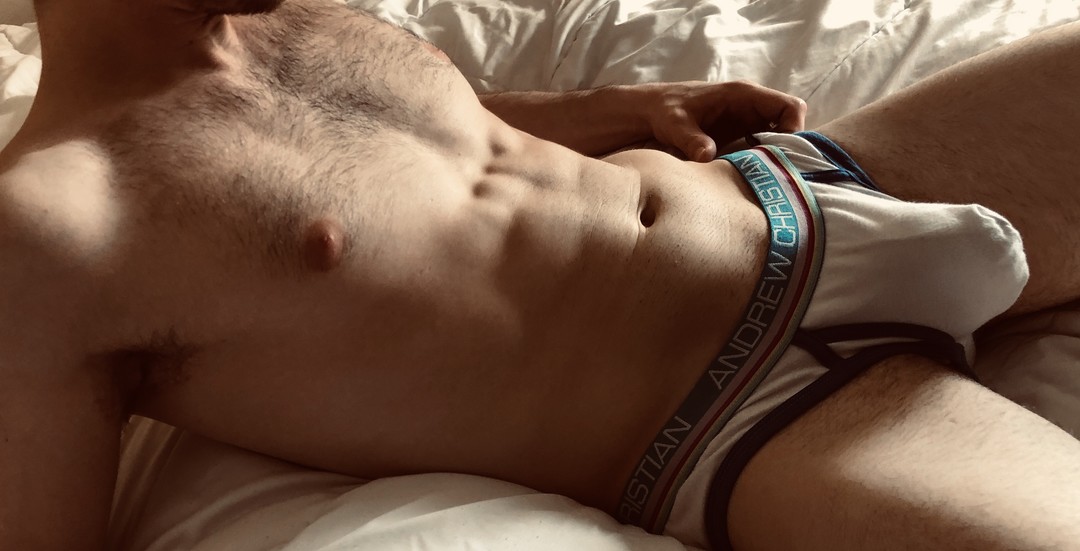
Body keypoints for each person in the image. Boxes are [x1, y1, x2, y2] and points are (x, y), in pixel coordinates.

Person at [1, 0, 1078, 549]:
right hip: (748, 408)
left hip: (804, 185)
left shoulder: (302, 22)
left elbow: (395, 144)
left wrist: (616, 110)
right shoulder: (45, 226)